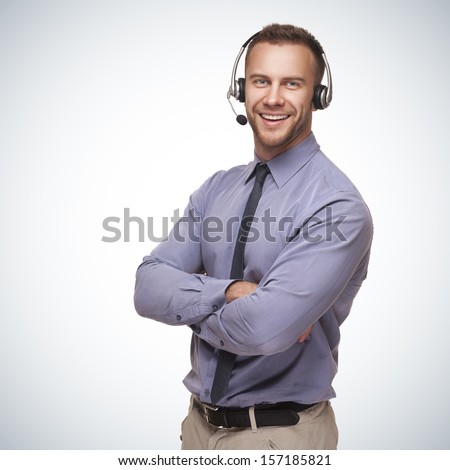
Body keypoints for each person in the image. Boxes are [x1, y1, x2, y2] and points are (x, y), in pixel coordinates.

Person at [134, 23, 373, 450]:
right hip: (196, 428)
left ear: (318, 95)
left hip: (281, 438)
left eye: (292, 83)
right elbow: (147, 287)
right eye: (261, 81)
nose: (274, 98)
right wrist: (230, 292)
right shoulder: (216, 189)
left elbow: (263, 331)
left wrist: (188, 301)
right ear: (242, 90)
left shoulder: (337, 207)